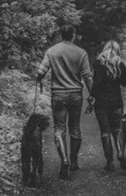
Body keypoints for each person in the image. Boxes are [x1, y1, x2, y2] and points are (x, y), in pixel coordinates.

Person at [36, 24, 93, 179]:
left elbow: (41, 71)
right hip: (75, 94)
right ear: (73, 35)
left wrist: (39, 79)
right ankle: (74, 160)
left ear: (61, 35)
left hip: (58, 95)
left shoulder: (51, 51)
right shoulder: (81, 53)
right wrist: (92, 94)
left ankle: (64, 160)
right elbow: (87, 76)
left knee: (59, 129)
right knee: (75, 128)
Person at [90, 39, 126, 171]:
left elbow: (96, 84)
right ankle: (120, 153)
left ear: (104, 49)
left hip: (101, 103)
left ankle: (110, 163)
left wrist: (92, 97)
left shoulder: (98, 63)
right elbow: (124, 83)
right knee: (118, 130)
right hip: (117, 102)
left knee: (105, 132)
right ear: (117, 50)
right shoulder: (120, 63)